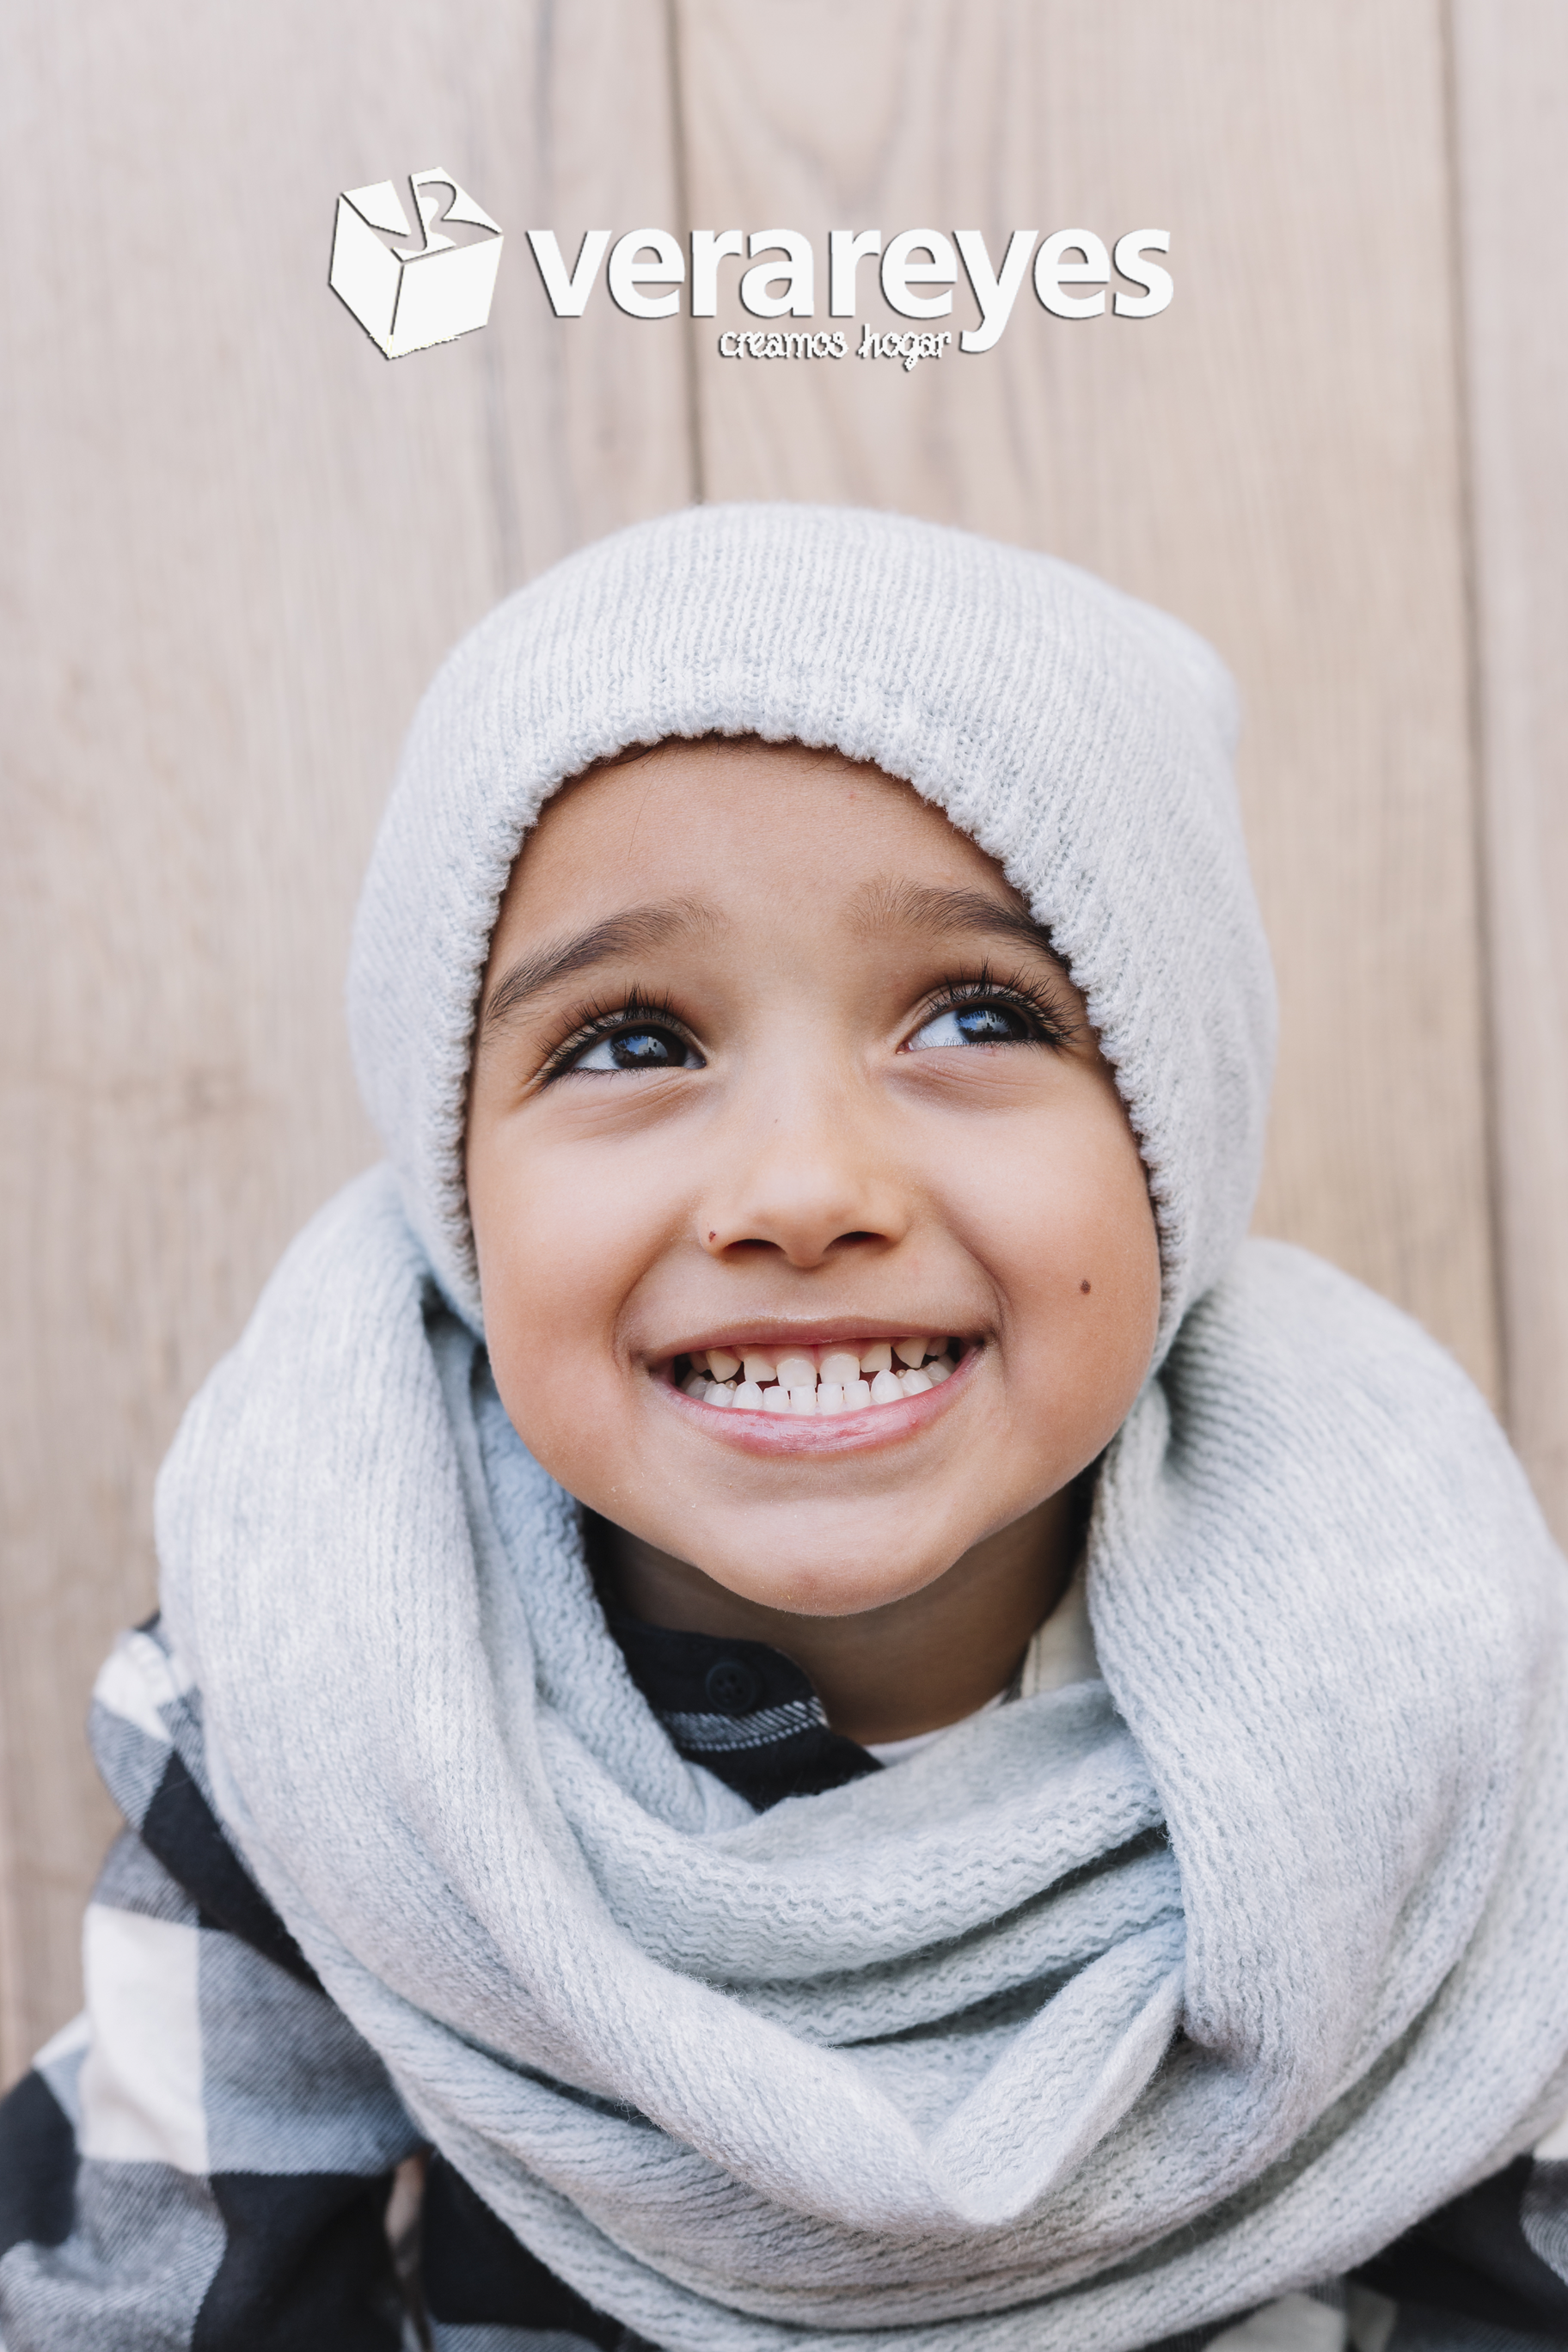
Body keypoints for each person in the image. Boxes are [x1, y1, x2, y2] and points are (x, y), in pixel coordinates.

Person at [2, 504, 1567, 2352]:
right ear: (459, 1198)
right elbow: (145, 2290)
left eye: (977, 1013)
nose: (803, 1186)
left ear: (1180, 1146)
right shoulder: (330, 1687)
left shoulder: (1417, 1662)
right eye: (632, 1042)